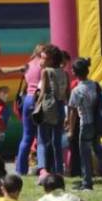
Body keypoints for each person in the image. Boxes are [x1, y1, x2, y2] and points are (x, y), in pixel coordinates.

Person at [66, 58, 102, 190]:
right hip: (96, 123)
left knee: (85, 154)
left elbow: (73, 111)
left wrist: (71, 130)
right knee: (97, 149)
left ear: (75, 72)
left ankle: (87, 183)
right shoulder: (95, 85)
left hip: (85, 124)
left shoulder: (77, 90)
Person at [36, 44, 69, 178]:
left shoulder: (46, 72)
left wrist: (36, 106)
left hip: (48, 108)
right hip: (60, 107)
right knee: (57, 141)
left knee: (42, 140)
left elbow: (43, 92)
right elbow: (67, 94)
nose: (41, 61)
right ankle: (59, 170)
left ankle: (43, 170)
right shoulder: (64, 73)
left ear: (51, 60)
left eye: (43, 58)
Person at [16, 44, 46, 176]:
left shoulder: (28, 64)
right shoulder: (43, 65)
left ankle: (20, 169)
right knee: (41, 138)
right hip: (39, 99)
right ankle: (42, 167)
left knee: (26, 136)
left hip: (27, 99)